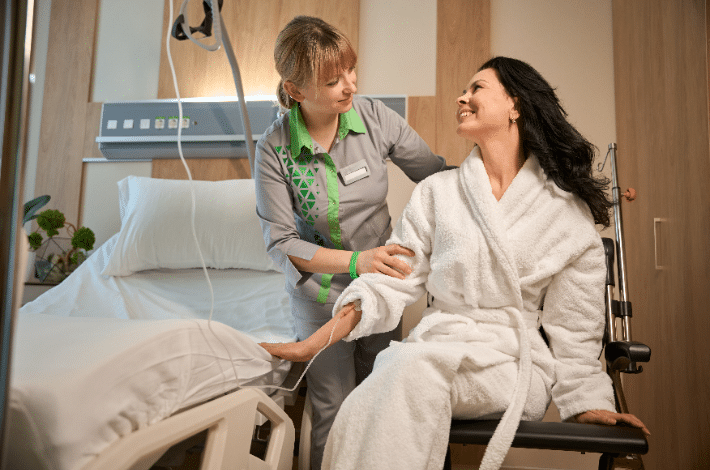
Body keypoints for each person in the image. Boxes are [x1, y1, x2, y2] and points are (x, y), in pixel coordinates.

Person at [261, 56, 650, 470]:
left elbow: (575, 330)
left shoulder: (565, 214)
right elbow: (389, 281)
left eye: (477, 88)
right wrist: (312, 343)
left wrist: (586, 402)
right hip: (435, 349)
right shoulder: (437, 193)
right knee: (370, 394)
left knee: (405, 373)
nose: (461, 97)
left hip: (513, 364)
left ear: (515, 105)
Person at [253, 16, 450, 469]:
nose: (350, 85)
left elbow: (438, 176)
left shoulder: (376, 118)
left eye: (351, 70)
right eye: (333, 79)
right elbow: (282, 242)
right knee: (333, 408)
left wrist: (514, 180)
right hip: (319, 294)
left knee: (381, 399)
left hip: (382, 286)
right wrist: (356, 261)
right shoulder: (275, 148)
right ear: (297, 90)